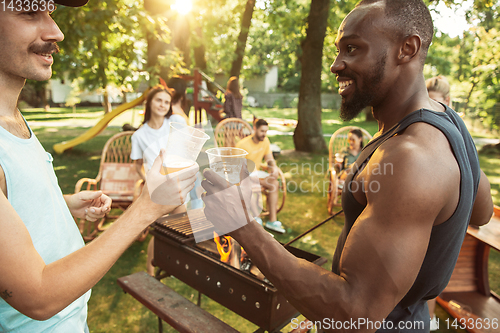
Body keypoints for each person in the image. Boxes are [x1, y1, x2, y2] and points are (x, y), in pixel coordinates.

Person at [202, 1, 494, 332]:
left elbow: (356, 314)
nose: (335, 65)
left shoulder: (411, 158)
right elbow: (480, 211)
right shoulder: (446, 118)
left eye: (352, 48)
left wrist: (244, 226)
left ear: (407, 49)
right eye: (339, 49)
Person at [0, 2, 198, 332]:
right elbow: (37, 296)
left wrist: (60, 203)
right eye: (29, 13)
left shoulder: (14, 119)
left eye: (50, 13)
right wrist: (145, 208)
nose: (56, 31)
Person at [130, 85, 189, 276]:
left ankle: (173, 267)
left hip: (179, 184)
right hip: (158, 189)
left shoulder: (176, 121)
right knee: (162, 231)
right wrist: (148, 178)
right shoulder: (139, 135)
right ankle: (151, 272)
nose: (163, 105)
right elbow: (137, 165)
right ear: (149, 102)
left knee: (179, 228)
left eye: (166, 101)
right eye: (159, 100)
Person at [425, 75, 451, 330]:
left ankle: (429, 319)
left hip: (442, 211)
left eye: (436, 103)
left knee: (430, 270)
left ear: (447, 101)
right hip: (424, 204)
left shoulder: (455, 134)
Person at [235, 119, 284, 233]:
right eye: (262, 131)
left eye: (266, 131)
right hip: (242, 177)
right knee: (253, 185)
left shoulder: (265, 141)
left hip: (256, 174)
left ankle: (272, 221)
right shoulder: (242, 145)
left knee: (274, 184)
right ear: (255, 129)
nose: (264, 134)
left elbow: (269, 159)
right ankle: (256, 219)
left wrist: (274, 167)